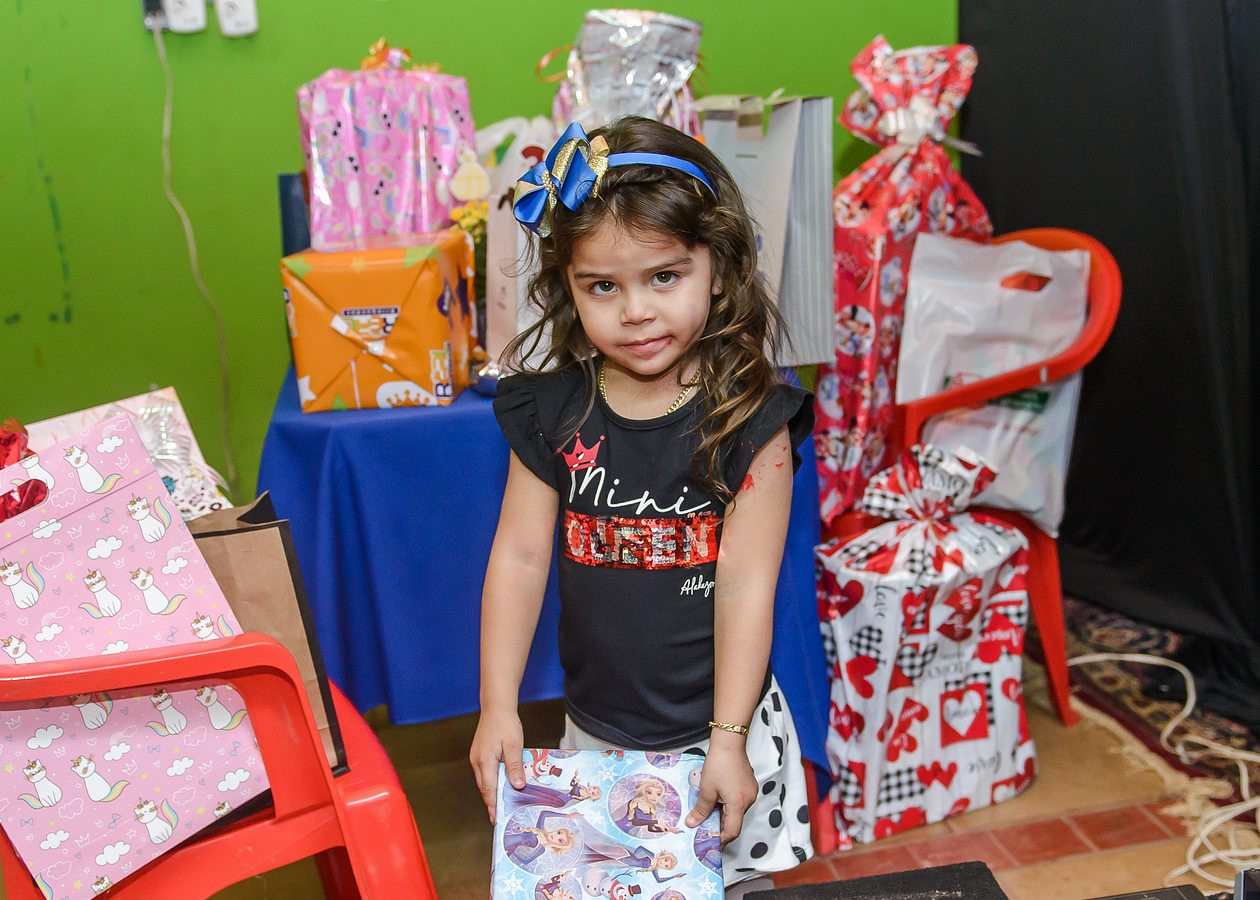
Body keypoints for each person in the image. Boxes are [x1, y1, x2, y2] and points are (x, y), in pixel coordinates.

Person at [470, 116, 814, 889]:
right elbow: (519, 558)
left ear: (717, 269)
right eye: (603, 286)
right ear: (568, 286)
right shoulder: (551, 412)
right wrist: (498, 707)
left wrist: (727, 743)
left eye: (664, 276)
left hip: (722, 738)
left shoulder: (752, 421)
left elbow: (746, 585)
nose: (635, 310)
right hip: (597, 740)